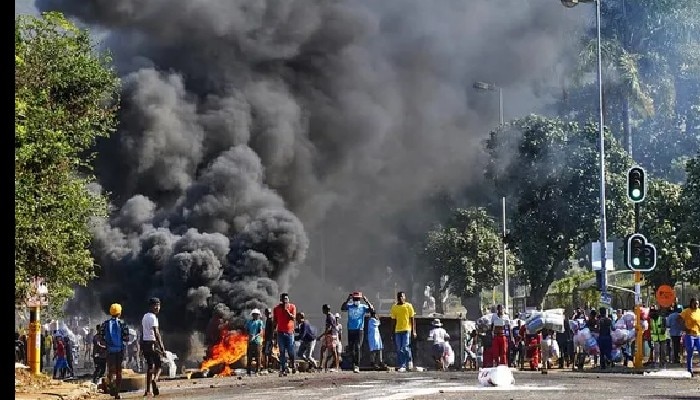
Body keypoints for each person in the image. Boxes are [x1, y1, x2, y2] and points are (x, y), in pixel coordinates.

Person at [340, 291, 374, 373]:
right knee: (351, 348)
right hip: (350, 330)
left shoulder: (363, 307)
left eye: (358, 299)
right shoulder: (349, 306)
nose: (356, 300)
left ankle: (357, 365)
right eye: (355, 299)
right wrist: (348, 299)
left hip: (359, 330)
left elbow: (372, 310)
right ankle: (352, 364)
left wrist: (367, 301)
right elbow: (342, 308)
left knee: (358, 347)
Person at [100, 303, 129, 398]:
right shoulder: (122, 324)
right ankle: (117, 392)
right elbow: (126, 338)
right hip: (119, 350)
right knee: (119, 371)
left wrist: (106, 344)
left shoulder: (105, 324)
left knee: (110, 370)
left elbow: (101, 336)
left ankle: (111, 386)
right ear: (119, 313)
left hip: (109, 350)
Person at [142, 297, 165, 397]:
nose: (157, 307)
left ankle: (147, 390)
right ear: (151, 306)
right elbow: (157, 333)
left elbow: (143, 331)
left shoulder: (145, 316)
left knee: (150, 367)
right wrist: (162, 348)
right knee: (159, 366)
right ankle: (155, 380)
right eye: (155, 305)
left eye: (158, 305)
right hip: (152, 344)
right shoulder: (153, 318)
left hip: (145, 344)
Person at [390, 291, 416, 372]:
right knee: (399, 348)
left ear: (405, 297)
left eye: (402, 296)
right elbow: (393, 321)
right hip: (398, 330)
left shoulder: (408, 306)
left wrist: (414, 331)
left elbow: (412, 318)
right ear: (397, 298)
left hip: (406, 329)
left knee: (405, 347)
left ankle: (409, 361)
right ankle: (402, 365)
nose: (401, 298)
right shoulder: (394, 307)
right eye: (399, 297)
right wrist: (392, 332)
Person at [272, 292, 297, 376]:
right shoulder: (276, 308)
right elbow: (275, 321)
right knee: (281, 351)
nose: (285, 300)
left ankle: (293, 364)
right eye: (284, 299)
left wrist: (287, 311)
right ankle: (283, 368)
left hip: (289, 333)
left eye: (287, 299)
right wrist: (274, 333)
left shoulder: (292, 307)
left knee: (290, 351)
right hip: (280, 333)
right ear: (281, 300)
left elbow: (293, 318)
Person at [680, 298, 700, 377]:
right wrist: (685, 328)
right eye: (694, 303)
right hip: (690, 335)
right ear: (691, 303)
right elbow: (678, 319)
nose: (696, 305)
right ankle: (690, 370)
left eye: (697, 303)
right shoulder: (686, 311)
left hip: (698, 335)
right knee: (690, 353)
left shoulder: (699, 311)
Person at [317, 304, 340, 372]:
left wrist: (321, 336)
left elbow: (329, 328)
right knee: (323, 349)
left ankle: (336, 367)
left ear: (325, 309)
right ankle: (321, 366)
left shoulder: (329, 317)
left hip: (331, 335)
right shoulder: (331, 316)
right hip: (330, 335)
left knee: (333, 351)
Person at [245, 309, 264, 376]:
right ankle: (248, 371)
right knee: (249, 356)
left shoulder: (260, 322)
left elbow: (261, 331)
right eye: (254, 314)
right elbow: (246, 330)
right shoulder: (249, 322)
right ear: (252, 315)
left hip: (257, 341)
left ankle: (257, 370)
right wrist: (249, 335)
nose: (255, 315)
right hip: (250, 341)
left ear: (258, 315)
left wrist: (255, 336)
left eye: (256, 314)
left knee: (258, 356)